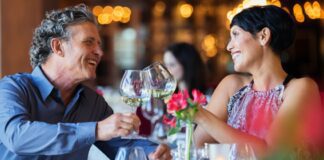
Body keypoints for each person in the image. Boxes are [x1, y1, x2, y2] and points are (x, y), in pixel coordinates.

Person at [0, 4, 171, 160]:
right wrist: (95, 130)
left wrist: (153, 153)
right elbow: (17, 136)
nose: (99, 52)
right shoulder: (13, 88)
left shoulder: (93, 103)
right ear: (58, 47)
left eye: (99, 44)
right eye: (88, 42)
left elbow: (122, 147)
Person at [193, 5, 322, 158]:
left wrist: (201, 116)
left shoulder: (301, 88)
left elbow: (270, 154)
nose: (229, 46)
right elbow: (200, 144)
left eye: (235, 34)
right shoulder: (232, 85)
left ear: (263, 36)